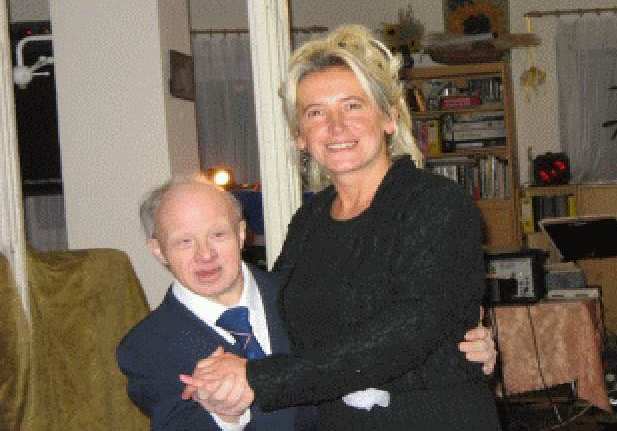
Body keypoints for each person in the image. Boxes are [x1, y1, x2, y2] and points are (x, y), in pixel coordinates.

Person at [180, 24, 503, 430]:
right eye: (315, 112)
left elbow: (411, 328)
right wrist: (221, 377)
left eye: (353, 106)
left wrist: (259, 379)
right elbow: (278, 318)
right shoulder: (309, 221)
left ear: (389, 118)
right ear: (300, 135)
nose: (336, 126)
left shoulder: (435, 202)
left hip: (431, 417)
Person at [116, 174, 497, 430]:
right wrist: (226, 414)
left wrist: (461, 343)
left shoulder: (303, 295)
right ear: (158, 250)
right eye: (184, 242)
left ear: (242, 233)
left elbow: (385, 342)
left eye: (218, 235)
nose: (205, 255)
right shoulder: (146, 347)